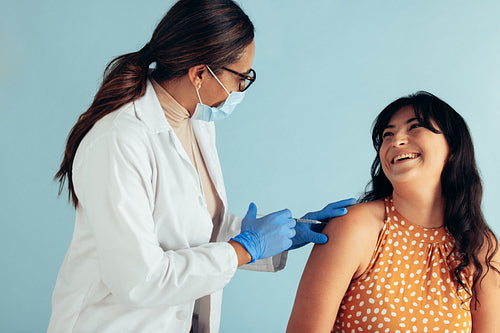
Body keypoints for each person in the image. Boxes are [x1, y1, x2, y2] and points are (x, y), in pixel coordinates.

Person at [48, 0, 355, 332]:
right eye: (242, 77)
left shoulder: (196, 123)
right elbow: (139, 280)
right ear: (199, 74)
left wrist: (286, 234)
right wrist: (244, 248)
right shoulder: (119, 140)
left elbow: (189, 229)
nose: (241, 88)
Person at [287, 91, 500, 332]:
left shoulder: (481, 247)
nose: (395, 141)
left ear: (453, 147)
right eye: (387, 134)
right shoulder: (354, 228)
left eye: (415, 127)